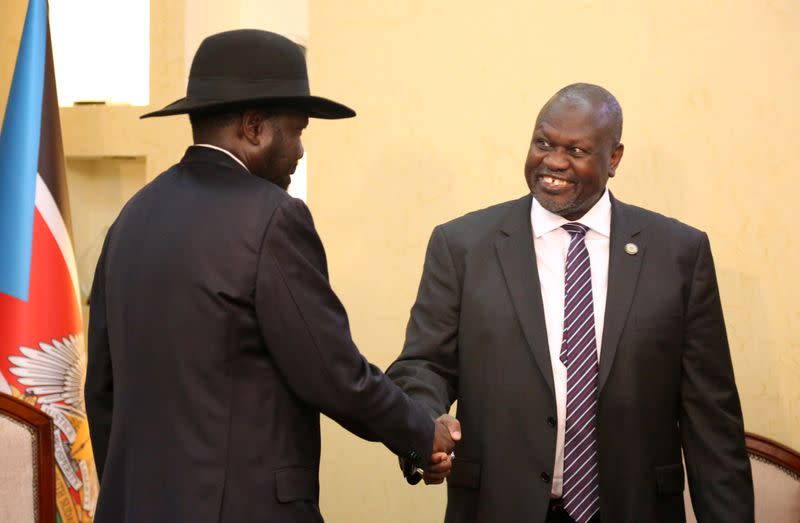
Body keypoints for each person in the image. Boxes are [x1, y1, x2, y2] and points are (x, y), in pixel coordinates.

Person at [84, 29, 458, 523]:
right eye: (298, 131)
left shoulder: (131, 217)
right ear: (255, 127)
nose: (300, 151)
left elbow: (102, 389)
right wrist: (420, 431)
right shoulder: (273, 217)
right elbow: (332, 372)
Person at [387, 83, 753, 522]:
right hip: (498, 506)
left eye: (576, 150)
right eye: (543, 143)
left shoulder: (679, 253)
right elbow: (424, 365)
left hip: (635, 508)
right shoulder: (462, 245)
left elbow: (712, 420)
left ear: (613, 158)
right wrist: (424, 424)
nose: (554, 162)